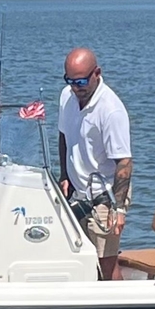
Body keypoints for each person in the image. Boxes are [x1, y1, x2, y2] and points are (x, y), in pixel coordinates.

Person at [57, 47, 132, 280]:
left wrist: (118, 209)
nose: (75, 87)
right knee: (77, 256)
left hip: (106, 196)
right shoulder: (66, 96)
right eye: (70, 81)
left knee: (105, 261)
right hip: (78, 192)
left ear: (96, 73)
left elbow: (125, 163)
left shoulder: (111, 110)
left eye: (80, 81)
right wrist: (64, 175)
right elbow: (63, 137)